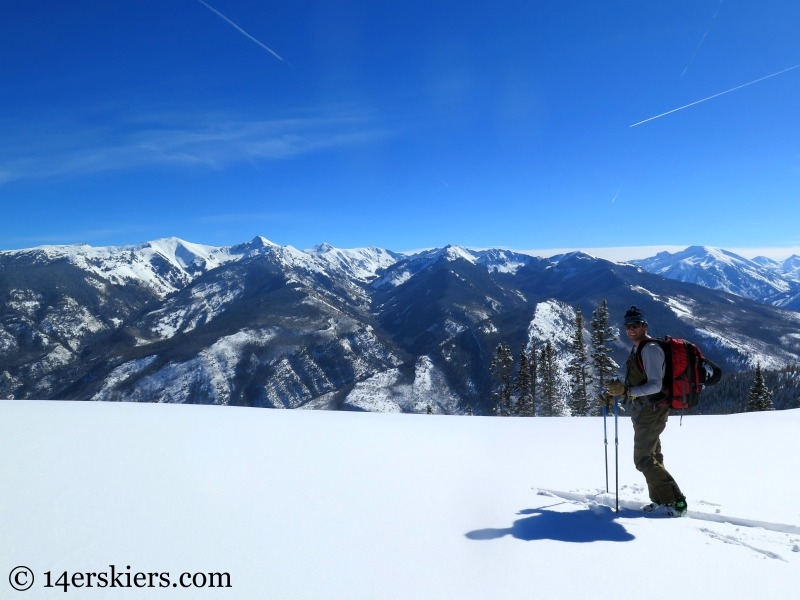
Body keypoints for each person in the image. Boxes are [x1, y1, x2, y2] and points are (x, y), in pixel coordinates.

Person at [605, 306, 688, 517]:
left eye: (635, 325)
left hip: (652, 410)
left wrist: (626, 391)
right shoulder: (638, 348)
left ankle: (676, 501)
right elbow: (636, 383)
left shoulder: (650, 349)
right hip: (643, 410)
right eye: (628, 326)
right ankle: (660, 499)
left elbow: (655, 385)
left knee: (642, 459)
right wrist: (616, 393)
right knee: (653, 455)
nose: (631, 329)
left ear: (644, 326)